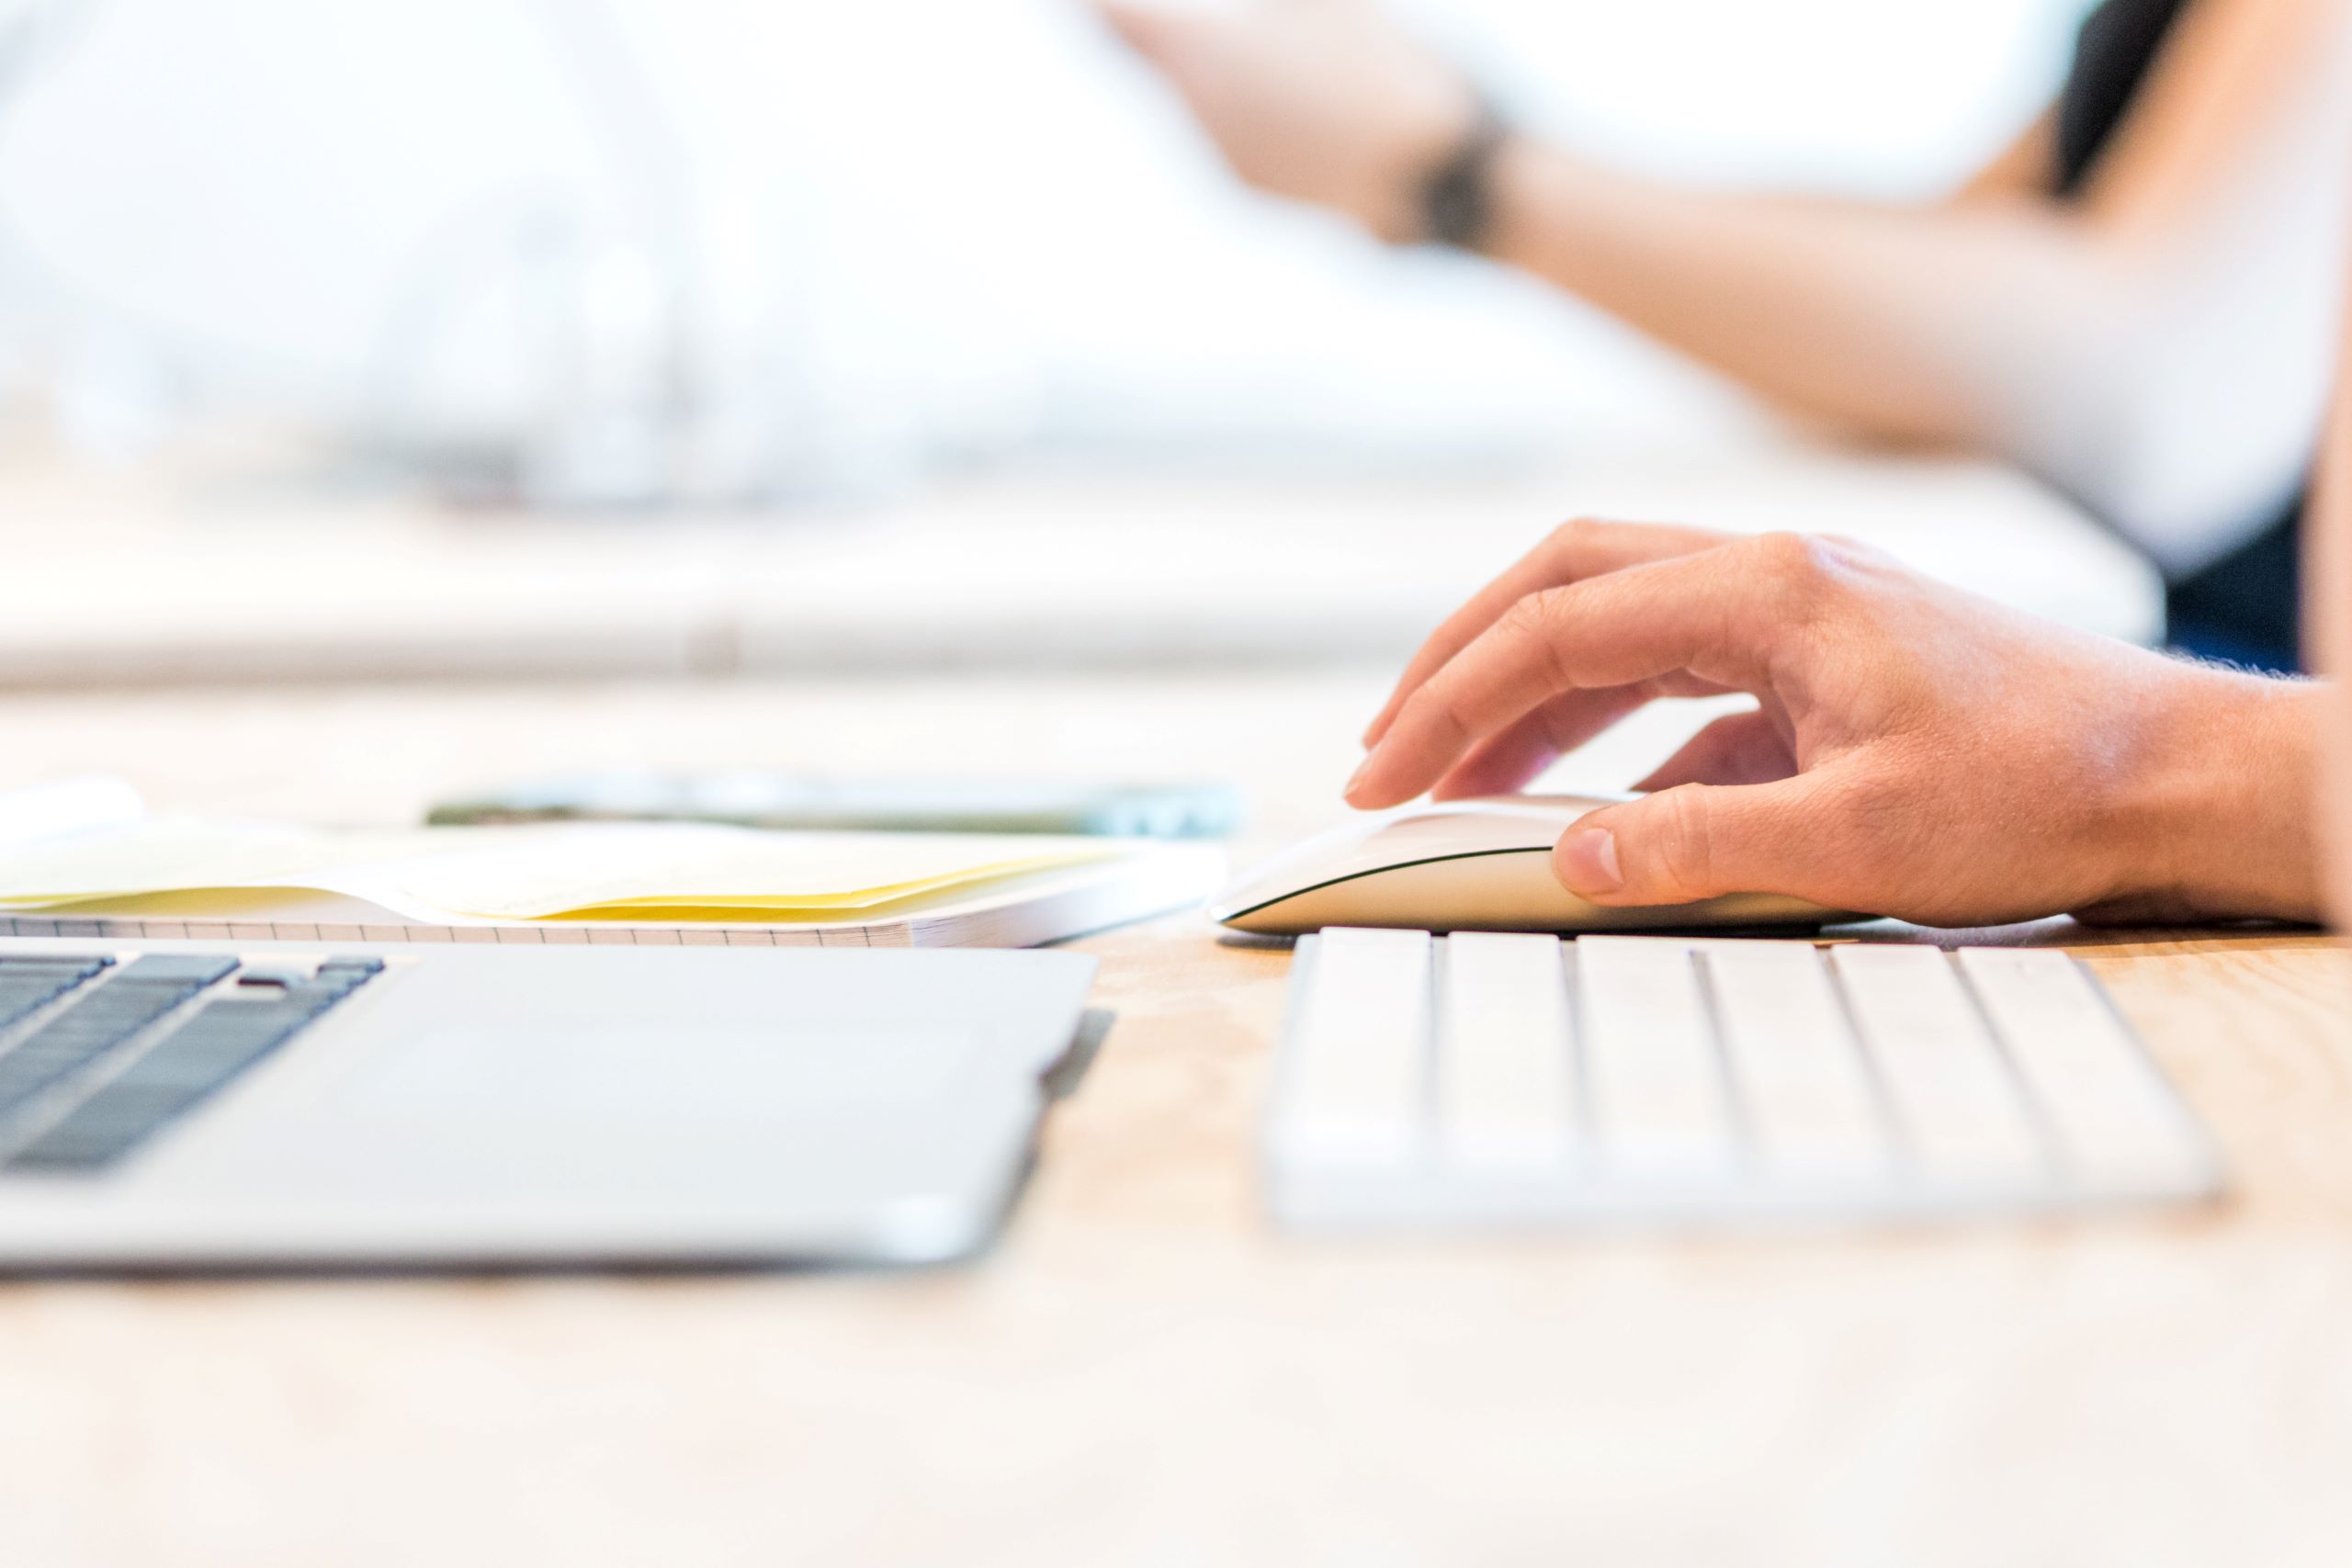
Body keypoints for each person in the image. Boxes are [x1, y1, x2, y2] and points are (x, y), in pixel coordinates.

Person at [1102, 0, 2352, 671]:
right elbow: (1962, 271)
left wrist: (1450, 170)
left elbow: (2145, 400)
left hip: (2227, 789)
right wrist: (1457, 147)